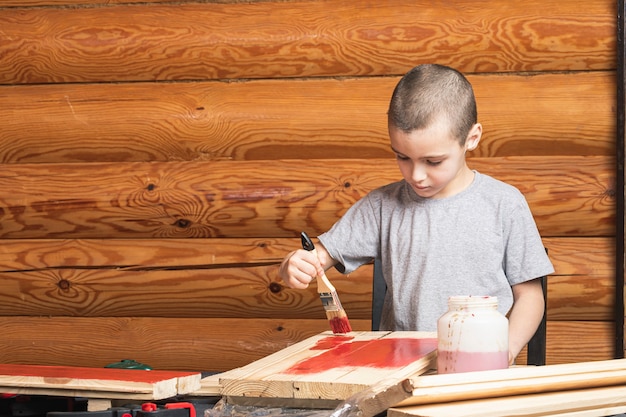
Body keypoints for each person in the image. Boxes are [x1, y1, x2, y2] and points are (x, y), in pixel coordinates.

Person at [278, 63, 554, 364]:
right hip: (399, 374)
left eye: (433, 161)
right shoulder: (382, 206)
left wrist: (504, 352)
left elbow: (530, 297)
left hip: (479, 374)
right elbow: (315, 257)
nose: (416, 175)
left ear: (471, 138)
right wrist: (293, 266)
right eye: (403, 157)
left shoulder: (505, 204)